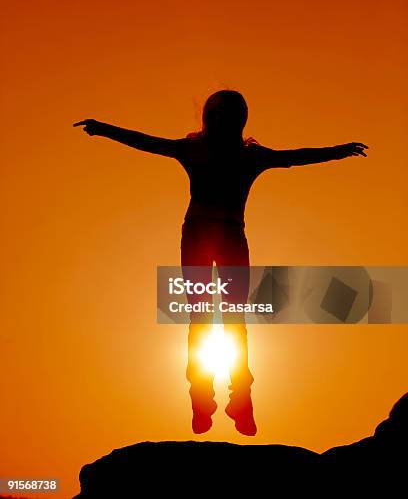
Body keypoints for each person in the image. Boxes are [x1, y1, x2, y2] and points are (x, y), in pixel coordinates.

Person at [74, 89, 368, 436]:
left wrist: (338, 152)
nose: (223, 121)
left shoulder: (247, 156)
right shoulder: (200, 150)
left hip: (225, 239)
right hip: (202, 239)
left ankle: (237, 402)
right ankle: (206, 402)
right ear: (212, 118)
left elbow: (295, 157)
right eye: (220, 115)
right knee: (205, 320)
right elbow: (146, 142)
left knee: (230, 322)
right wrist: (104, 129)